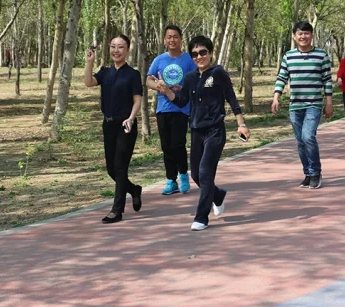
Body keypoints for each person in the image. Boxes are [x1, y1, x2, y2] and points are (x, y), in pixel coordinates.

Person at [155, 35, 250, 231]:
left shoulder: (218, 73)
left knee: (206, 173)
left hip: (215, 130)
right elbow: (181, 101)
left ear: (210, 53)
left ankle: (201, 217)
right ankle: (217, 195)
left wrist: (241, 124)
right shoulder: (190, 77)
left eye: (203, 52)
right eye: (195, 54)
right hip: (197, 131)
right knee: (197, 175)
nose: (199, 57)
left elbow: (232, 98)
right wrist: (166, 91)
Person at [84, 34, 143, 224]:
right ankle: (134, 189)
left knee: (120, 166)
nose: (116, 50)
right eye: (113, 46)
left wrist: (131, 118)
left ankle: (117, 210)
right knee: (111, 169)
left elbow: (137, 100)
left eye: (120, 47)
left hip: (125, 124)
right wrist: (89, 63)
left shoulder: (133, 74)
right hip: (108, 124)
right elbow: (89, 82)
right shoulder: (105, 72)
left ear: (127, 49)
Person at [272, 21, 333, 189]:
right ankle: (308, 173)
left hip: (314, 104)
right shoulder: (288, 56)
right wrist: (276, 98)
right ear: (294, 36)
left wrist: (329, 103)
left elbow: (327, 80)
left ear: (311, 35)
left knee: (308, 137)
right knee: (300, 142)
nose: (303, 36)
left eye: (306, 33)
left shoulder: (321, 55)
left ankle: (315, 172)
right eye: (300, 33)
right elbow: (282, 77)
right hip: (295, 106)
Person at [146, 25, 196, 195]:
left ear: (181, 39)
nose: (172, 40)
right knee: (166, 145)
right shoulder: (159, 60)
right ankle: (171, 180)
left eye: (175, 37)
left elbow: (195, 80)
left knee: (178, 144)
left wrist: (182, 88)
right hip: (163, 108)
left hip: (181, 108)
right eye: (169, 37)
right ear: (164, 40)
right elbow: (148, 80)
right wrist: (159, 87)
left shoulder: (188, 60)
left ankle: (183, 174)